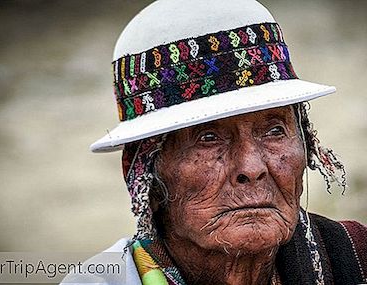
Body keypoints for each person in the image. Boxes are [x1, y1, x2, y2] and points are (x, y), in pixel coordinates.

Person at [63, 0, 367, 284]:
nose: (251, 167)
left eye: (274, 131)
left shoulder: (356, 259)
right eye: (208, 139)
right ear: (145, 176)